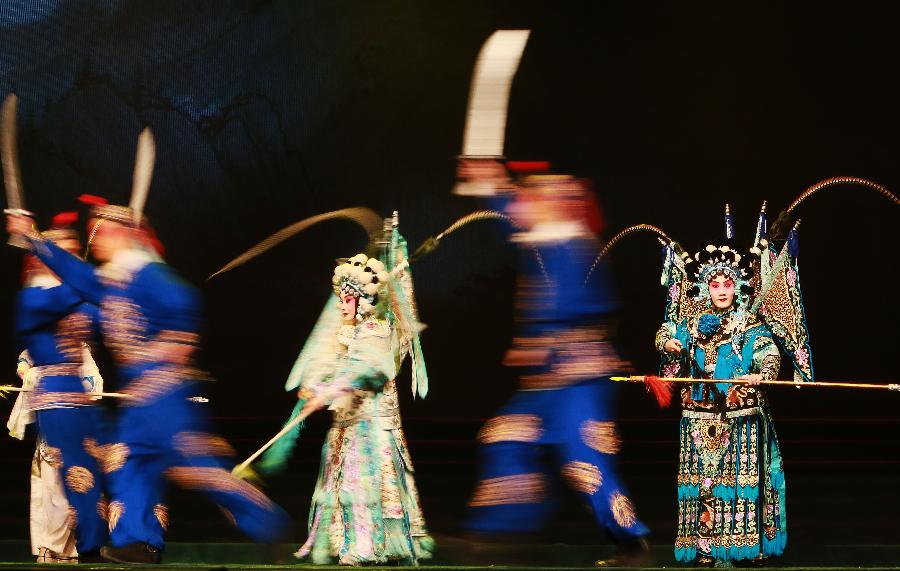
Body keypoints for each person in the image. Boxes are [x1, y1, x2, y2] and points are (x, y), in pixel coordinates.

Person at [7, 201, 289, 564]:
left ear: (117, 235)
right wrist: (32, 238)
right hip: (140, 403)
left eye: (99, 236)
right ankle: (138, 542)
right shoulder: (112, 282)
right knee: (127, 464)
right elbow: (76, 276)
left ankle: (268, 522)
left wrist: (178, 338)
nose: (96, 247)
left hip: (167, 394)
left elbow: (184, 300)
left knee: (197, 468)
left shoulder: (146, 274)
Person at [458, 163, 652, 567]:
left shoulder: (574, 246)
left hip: (582, 382)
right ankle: (506, 530)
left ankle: (630, 538)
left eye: (531, 200)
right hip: (544, 388)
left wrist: (540, 343)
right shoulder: (542, 243)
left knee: (584, 458)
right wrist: (490, 181)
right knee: (503, 436)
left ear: (555, 206)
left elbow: (578, 306)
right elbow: (507, 211)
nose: (520, 207)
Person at [269, 215, 432, 565]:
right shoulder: (349, 333)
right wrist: (314, 387)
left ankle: (368, 545)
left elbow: (368, 373)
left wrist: (332, 389)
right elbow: (334, 365)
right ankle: (349, 543)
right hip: (347, 425)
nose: (341, 305)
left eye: (346, 298)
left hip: (371, 426)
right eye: (340, 298)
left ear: (361, 299)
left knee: (367, 481)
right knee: (343, 482)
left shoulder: (376, 332)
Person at [654, 205, 799, 567]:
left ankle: (742, 547)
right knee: (703, 482)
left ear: (737, 285)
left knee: (738, 483)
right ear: (704, 285)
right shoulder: (690, 320)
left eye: (728, 283)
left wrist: (760, 374)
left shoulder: (749, 323)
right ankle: (704, 547)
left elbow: (769, 354)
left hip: (741, 416)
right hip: (698, 415)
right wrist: (668, 343)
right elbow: (663, 333)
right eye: (714, 284)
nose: (721, 290)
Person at [6, 213, 107, 562]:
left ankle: (95, 542)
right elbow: (85, 288)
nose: (72, 260)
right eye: (64, 253)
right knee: (62, 478)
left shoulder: (76, 297)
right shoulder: (33, 299)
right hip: (55, 400)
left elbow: (99, 296)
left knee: (96, 471)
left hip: (83, 400)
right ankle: (65, 545)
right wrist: (35, 239)